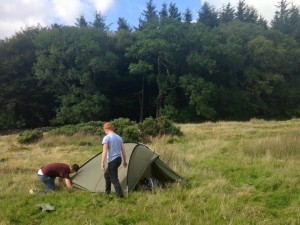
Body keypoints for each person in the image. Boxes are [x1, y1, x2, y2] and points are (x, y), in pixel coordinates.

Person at [101, 122, 127, 197]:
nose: (104, 131)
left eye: (104, 130)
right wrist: (125, 161)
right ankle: (107, 192)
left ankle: (120, 196)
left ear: (106, 129)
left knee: (114, 179)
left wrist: (102, 162)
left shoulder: (107, 137)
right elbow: (123, 150)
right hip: (119, 159)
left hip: (112, 160)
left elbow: (104, 151)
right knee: (107, 175)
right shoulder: (119, 137)